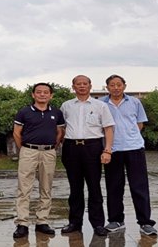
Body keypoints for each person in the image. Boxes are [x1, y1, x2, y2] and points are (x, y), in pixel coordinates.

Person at [100, 74, 158, 237]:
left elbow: (139, 124)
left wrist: (129, 136)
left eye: (119, 84)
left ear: (124, 86)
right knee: (114, 186)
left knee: (139, 186)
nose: (116, 88)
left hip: (134, 148)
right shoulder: (101, 104)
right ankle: (116, 220)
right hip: (112, 150)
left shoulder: (134, 102)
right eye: (112, 85)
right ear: (107, 87)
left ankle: (145, 222)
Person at [60, 75, 115, 237]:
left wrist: (107, 150)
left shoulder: (100, 106)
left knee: (94, 187)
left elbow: (108, 129)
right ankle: (75, 222)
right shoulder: (66, 106)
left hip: (93, 147)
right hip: (71, 148)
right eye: (78, 84)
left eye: (85, 83)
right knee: (75, 188)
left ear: (90, 86)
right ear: (73, 87)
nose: (82, 86)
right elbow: (61, 128)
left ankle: (98, 224)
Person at [12, 82, 66, 239]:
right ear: (33, 94)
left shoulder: (56, 112)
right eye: (39, 92)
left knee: (46, 187)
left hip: (48, 152)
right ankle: (22, 223)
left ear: (51, 95)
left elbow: (60, 132)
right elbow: (16, 133)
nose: (42, 94)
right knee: (24, 188)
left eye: (46, 92)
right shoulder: (24, 112)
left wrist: (53, 147)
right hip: (28, 151)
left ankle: (42, 221)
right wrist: (24, 149)